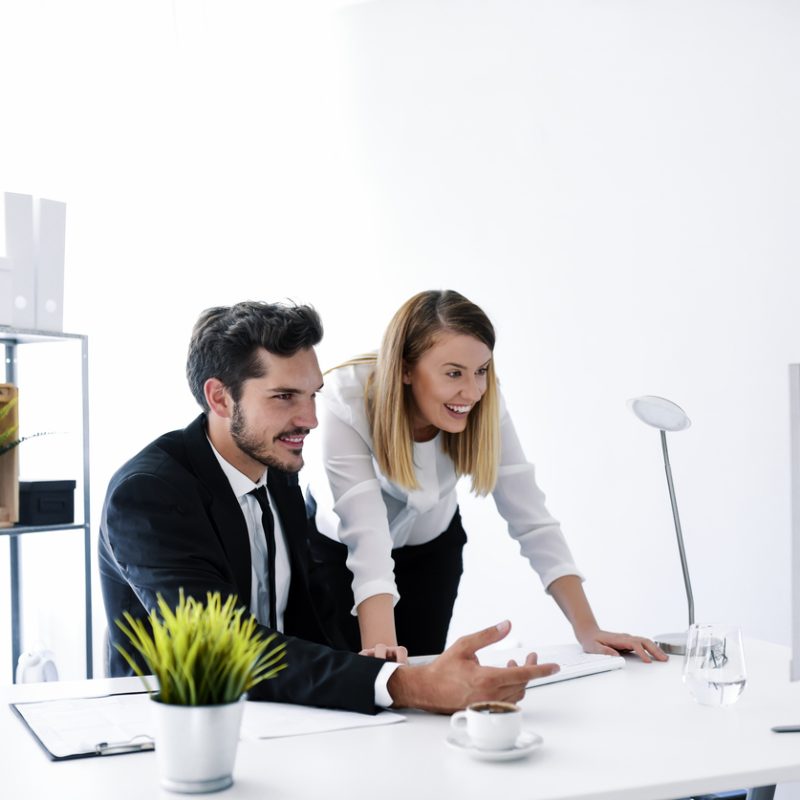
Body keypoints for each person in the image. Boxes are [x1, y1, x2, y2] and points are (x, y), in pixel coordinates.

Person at [98, 300, 557, 715]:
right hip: (170, 726)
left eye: (313, 394)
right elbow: (222, 643)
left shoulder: (276, 471)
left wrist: (411, 670)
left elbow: (307, 621)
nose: (311, 419)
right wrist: (406, 685)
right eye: (284, 397)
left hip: (277, 712)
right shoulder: (148, 495)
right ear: (220, 397)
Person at [308, 289, 668, 663]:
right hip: (337, 553)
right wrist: (381, 657)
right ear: (405, 369)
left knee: (423, 674)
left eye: (481, 370)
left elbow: (532, 519)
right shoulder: (344, 398)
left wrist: (588, 629)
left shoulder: (487, 402)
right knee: (352, 680)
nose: (473, 390)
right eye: (453, 373)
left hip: (432, 550)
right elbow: (368, 537)